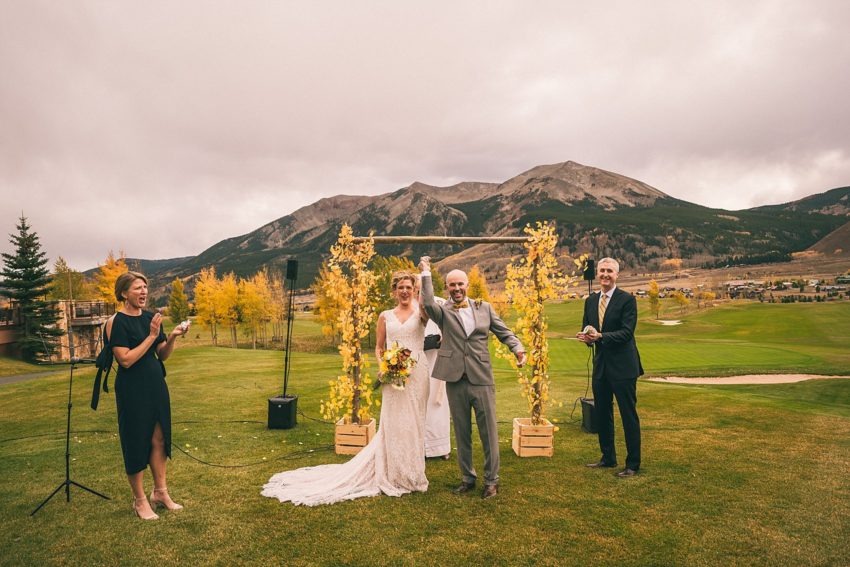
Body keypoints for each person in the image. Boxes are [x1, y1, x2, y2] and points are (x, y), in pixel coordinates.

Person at [262, 271, 430, 506]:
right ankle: (393, 472)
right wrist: (384, 366)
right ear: (394, 291)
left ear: (414, 290)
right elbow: (379, 347)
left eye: (408, 287)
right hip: (392, 375)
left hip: (417, 374)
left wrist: (425, 274)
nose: (404, 291)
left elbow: (428, 303)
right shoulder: (385, 316)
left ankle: (412, 473)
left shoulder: (421, 312)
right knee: (393, 422)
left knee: (414, 421)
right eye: (400, 287)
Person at [419, 256, 526, 500]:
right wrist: (425, 273)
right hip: (454, 379)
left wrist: (518, 349)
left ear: (467, 285)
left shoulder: (484, 308)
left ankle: (492, 480)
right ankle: (467, 478)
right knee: (462, 431)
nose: (457, 288)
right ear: (447, 287)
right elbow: (427, 301)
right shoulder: (442, 312)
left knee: (489, 432)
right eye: (452, 285)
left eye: (460, 284)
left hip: (481, 377)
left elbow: (504, 332)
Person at [108, 271, 189, 520]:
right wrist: (152, 336)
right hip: (132, 389)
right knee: (136, 440)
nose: (143, 291)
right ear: (124, 293)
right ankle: (140, 500)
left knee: (159, 438)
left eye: (145, 287)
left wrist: (172, 336)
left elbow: (161, 354)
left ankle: (160, 493)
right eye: (137, 288)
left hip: (155, 385)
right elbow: (125, 360)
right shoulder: (116, 322)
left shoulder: (151, 318)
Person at [577, 257, 643, 478]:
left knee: (628, 415)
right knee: (603, 413)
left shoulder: (627, 300)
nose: (605, 274)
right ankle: (608, 458)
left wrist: (601, 336)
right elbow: (588, 329)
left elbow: (627, 333)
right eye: (602, 270)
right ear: (597, 273)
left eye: (609, 271)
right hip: (601, 366)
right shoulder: (590, 301)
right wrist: (587, 338)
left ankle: (632, 464)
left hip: (623, 367)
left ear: (616, 275)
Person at [423, 296, 451, 460]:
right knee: (419, 406)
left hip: (438, 364)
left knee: (438, 406)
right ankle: (420, 447)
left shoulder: (440, 304)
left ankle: (441, 447)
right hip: (418, 364)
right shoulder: (411, 306)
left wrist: (440, 340)